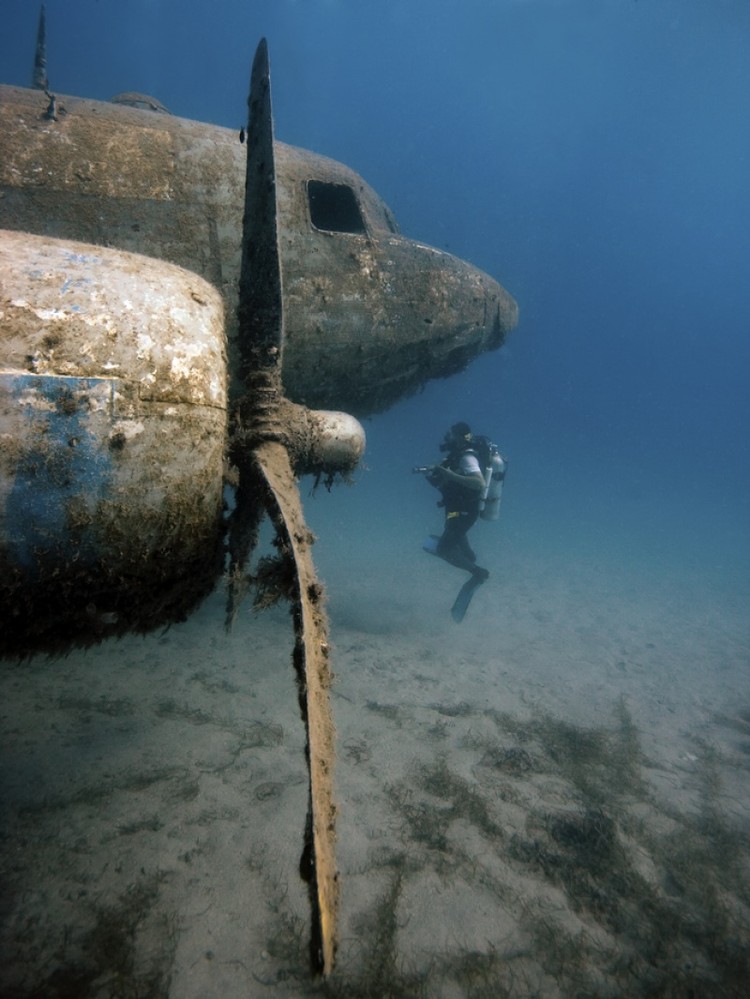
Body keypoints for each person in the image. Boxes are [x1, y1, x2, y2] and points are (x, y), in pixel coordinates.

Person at [423, 421, 490, 620]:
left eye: (451, 435)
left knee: (444, 549)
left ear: (460, 437)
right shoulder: (457, 456)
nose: (447, 439)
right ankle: (469, 557)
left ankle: (478, 573)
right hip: (456, 511)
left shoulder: (468, 457)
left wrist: (449, 474)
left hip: (464, 512)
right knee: (456, 541)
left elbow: (479, 483)